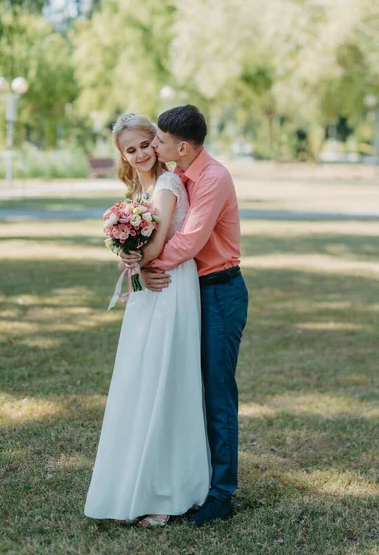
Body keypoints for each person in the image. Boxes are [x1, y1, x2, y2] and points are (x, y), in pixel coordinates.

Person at [121, 105, 248, 527]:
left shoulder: (212, 178)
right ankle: (193, 478)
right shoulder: (181, 177)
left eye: (157, 139)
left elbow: (190, 240)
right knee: (186, 387)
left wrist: (146, 267)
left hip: (220, 292)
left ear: (182, 146)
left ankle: (221, 494)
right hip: (191, 292)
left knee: (216, 391)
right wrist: (136, 261)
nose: (153, 145)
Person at [84, 113, 210, 527]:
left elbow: (156, 246)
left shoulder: (169, 184)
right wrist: (127, 256)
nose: (140, 153)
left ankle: (167, 493)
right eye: (130, 149)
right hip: (148, 287)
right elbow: (141, 249)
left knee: (165, 377)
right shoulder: (138, 188)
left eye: (144, 144)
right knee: (140, 379)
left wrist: (137, 257)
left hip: (171, 286)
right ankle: (133, 484)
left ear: (156, 143)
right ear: (121, 154)